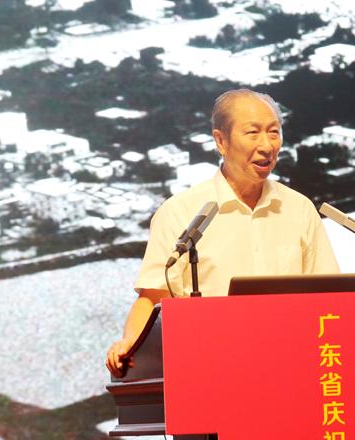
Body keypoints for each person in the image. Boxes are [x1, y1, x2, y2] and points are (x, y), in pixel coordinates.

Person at [106, 89, 339, 376]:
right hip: (210, 369)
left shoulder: (298, 208)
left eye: (274, 132)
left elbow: (330, 295)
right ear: (221, 141)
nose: (267, 145)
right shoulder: (181, 212)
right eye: (253, 133)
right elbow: (152, 297)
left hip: (292, 365)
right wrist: (130, 343)